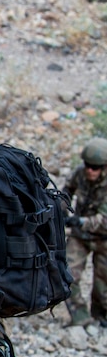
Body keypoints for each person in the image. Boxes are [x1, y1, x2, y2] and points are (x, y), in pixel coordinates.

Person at [62, 137, 107, 327]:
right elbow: (65, 191)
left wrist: (79, 221)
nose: (90, 170)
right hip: (80, 237)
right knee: (67, 274)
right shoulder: (80, 174)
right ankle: (80, 317)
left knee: (103, 285)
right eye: (88, 165)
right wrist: (61, 209)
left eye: (95, 167)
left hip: (104, 238)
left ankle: (102, 316)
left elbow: (104, 220)